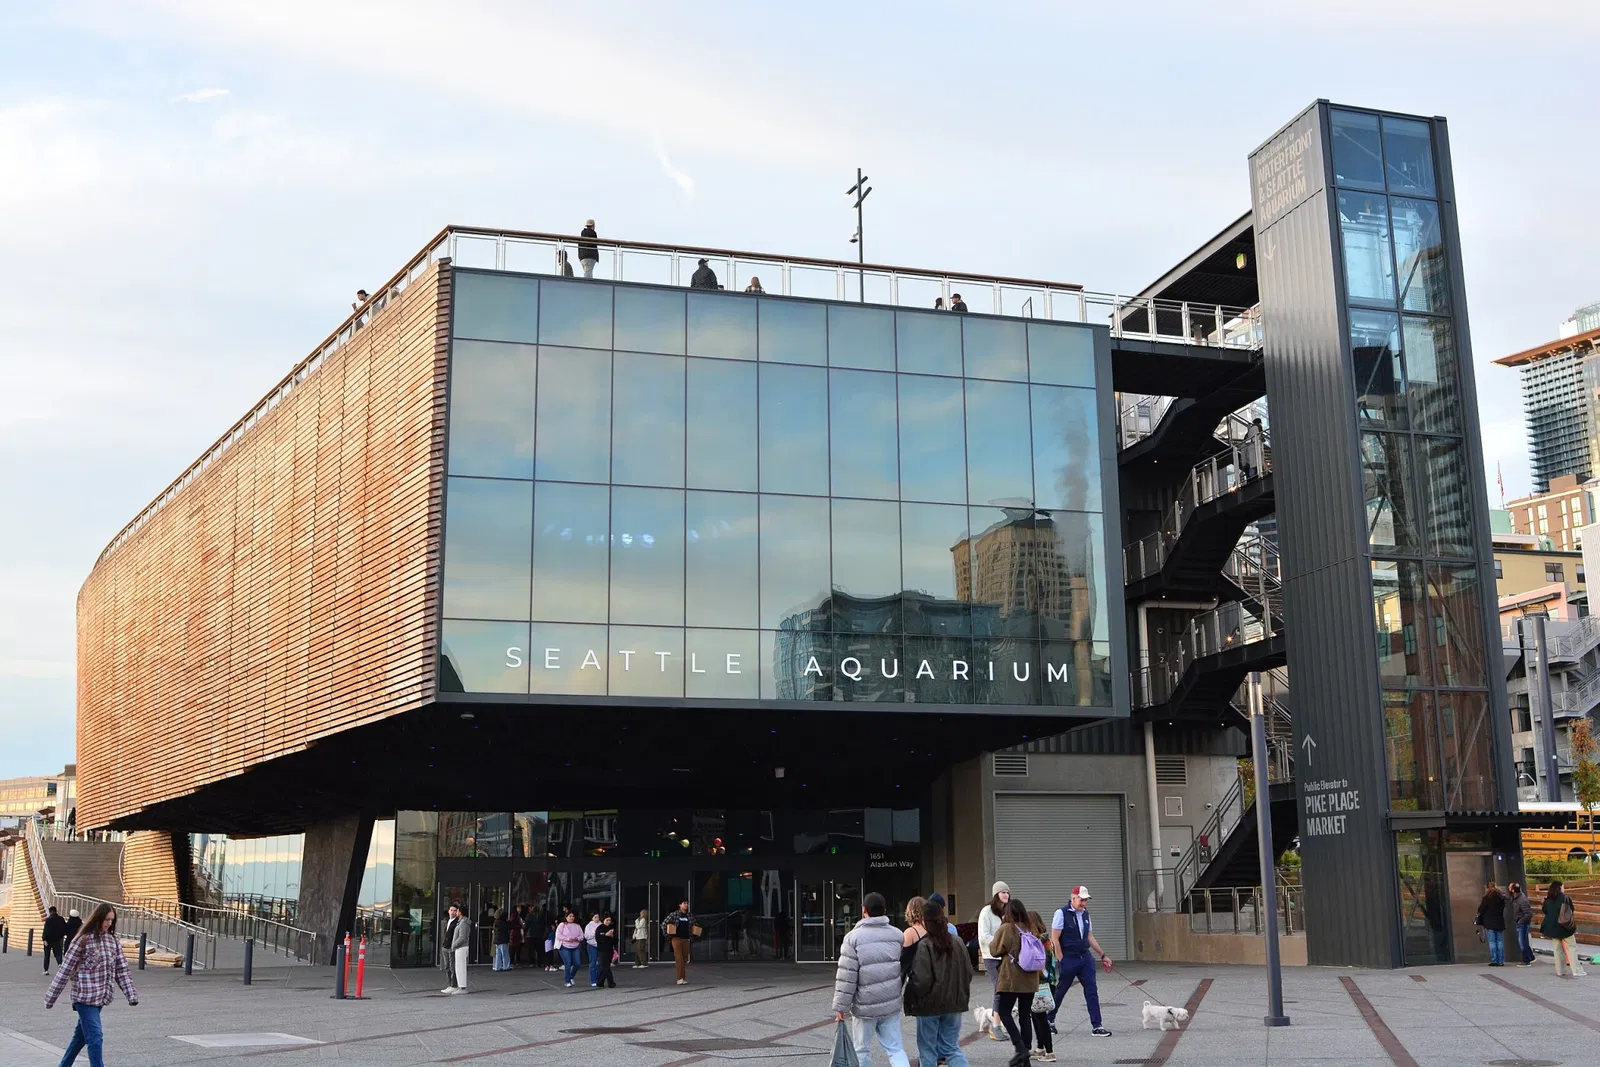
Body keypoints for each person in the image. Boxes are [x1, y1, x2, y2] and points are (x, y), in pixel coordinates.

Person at [44, 902, 138, 1066]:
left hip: (101, 997)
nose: (108, 924)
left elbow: (121, 969)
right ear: (97, 919)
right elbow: (65, 970)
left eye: (111, 920)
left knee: (79, 1039)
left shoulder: (112, 941)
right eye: (106, 920)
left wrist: (131, 994)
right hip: (84, 998)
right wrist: (50, 998)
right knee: (95, 1037)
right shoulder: (82, 940)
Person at [832, 891, 912, 1067]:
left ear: (863, 911)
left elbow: (847, 976)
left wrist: (841, 1006)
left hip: (864, 1005)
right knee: (895, 1048)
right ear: (885, 910)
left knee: (861, 1050)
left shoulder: (852, 938)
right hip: (890, 1002)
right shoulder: (897, 935)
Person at [903, 897, 972, 1067]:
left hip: (929, 1006)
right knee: (951, 1048)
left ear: (925, 922)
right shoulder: (958, 942)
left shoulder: (925, 945)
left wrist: (914, 994)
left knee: (927, 1050)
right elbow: (968, 972)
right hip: (955, 1003)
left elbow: (922, 979)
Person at [1048, 886, 1112, 1037]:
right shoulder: (1061, 913)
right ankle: (1049, 1019)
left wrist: (1103, 955)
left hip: (1085, 957)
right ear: (1073, 898)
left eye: (1086, 900)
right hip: (1069, 957)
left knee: (1092, 990)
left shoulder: (1086, 914)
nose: (1084, 903)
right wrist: (1061, 959)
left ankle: (1097, 1026)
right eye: (1081, 900)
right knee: (1061, 990)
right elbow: (1055, 939)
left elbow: (1090, 936)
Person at [987, 899, 1044, 1067]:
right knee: (1025, 1016)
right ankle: (1025, 1055)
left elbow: (994, 950)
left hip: (1011, 979)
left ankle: (1019, 1046)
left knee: (1004, 1012)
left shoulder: (1006, 928)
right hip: (1030, 979)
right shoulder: (1031, 928)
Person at [977, 883, 1010, 1041]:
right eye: (1003, 892)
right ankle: (995, 1025)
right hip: (991, 956)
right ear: (996, 894)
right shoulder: (987, 911)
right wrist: (1001, 944)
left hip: (1004, 956)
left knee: (1006, 991)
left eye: (1007, 893)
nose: (1006, 895)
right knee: (999, 990)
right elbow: (984, 936)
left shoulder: (1006, 912)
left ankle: (998, 1021)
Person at [1027, 912, 1057, 1063]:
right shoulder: (1047, 940)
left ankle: (1050, 1052)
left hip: (1041, 984)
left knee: (1041, 1019)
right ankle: (1040, 1048)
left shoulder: (1038, 942)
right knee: (1037, 1016)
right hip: (1049, 983)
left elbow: (1038, 965)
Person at [1542, 880, 1586, 977]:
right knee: (1572, 948)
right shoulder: (1565, 898)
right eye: (1563, 887)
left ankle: (1560, 971)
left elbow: (1545, 911)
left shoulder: (1548, 900)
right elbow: (1571, 910)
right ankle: (1576, 970)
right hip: (1565, 927)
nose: (1564, 888)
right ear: (1560, 888)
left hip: (1553, 928)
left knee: (1557, 950)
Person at [441, 902, 471, 994]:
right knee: (453, 967)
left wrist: (454, 945)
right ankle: (454, 985)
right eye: (452, 910)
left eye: (456, 911)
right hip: (451, 947)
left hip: (458, 947)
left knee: (457, 967)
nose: (454, 912)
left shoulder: (462, 923)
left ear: (460, 912)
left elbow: (462, 937)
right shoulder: (458, 922)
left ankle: (458, 986)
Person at [1475, 881, 1506, 966]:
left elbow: (1481, 909)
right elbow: (1503, 908)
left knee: (1492, 942)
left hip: (1489, 922)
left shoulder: (1487, 898)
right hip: (1499, 921)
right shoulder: (1501, 897)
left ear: (1487, 888)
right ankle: (1501, 961)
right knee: (1499, 941)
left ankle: (1494, 960)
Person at [664, 900, 696, 984]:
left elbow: (695, 925)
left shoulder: (689, 916)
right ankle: (680, 978)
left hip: (686, 939)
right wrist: (668, 936)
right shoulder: (674, 914)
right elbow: (664, 924)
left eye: (687, 903)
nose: (686, 905)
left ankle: (682, 978)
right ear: (680, 905)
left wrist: (693, 935)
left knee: (685, 958)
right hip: (676, 939)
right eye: (684, 903)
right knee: (679, 958)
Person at [1508, 882, 1535, 966]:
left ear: (1512, 890)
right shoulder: (1516, 897)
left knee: (1522, 943)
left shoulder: (1522, 900)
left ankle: (1526, 961)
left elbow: (1529, 913)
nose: (1508, 888)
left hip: (1522, 923)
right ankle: (1531, 957)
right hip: (1520, 922)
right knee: (1524, 941)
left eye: (1509, 887)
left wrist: (1520, 921)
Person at [556, 910, 585, 987]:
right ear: (566, 917)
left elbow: (582, 936)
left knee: (577, 963)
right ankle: (567, 981)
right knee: (567, 963)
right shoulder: (562, 925)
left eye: (573, 916)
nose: (572, 918)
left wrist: (577, 939)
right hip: (565, 946)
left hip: (575, 946)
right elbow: (558, 935)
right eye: (570, 916)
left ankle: (571, 976)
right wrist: (568, 939)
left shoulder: (577, 926)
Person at [594, 913, 618, 988]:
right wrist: (605, 935)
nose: (608, 922)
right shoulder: (599, 928)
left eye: (609, 920)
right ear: (603, 920)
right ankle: (610, 982)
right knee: (605, 966)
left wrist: (612, 936)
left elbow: (616, 940)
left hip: (610, 949)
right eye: (607, 920)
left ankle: (600, 982)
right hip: (602, 950)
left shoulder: (612, 928)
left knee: (606, 966)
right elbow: (598, 939)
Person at [42, 906, 68, 972]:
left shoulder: (48, 920)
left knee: (47, 955)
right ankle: (60, 963)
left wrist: (44, 939)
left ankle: (46, 970)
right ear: (56, 911)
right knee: (58, 953)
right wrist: (61, 935)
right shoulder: (61, 919)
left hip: (48, 940)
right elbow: (64, 929)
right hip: (57, 940)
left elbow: (46, 930)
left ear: (50, 912)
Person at [585, 912, 602, 987]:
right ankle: (593, 980)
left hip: (600, 945)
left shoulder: (601, 925)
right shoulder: (588, 926)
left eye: (598, 917)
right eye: (595, 917)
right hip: (592, 945)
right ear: (592, 918)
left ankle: (599, 979)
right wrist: (594, 934)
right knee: (593, 962)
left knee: (601, 963)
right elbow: (586, 936)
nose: (597, 919)